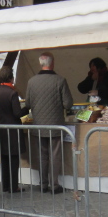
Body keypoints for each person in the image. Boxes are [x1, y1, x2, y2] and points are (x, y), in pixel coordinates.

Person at [26, 52, 73, 194]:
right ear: (52, 63)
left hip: (38, 125)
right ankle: (54, 185)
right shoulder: (60, 80)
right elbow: (68, 104)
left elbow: (27, 103)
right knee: (55, 155)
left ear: (40, 63)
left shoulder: (31, 81)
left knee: (42, 156)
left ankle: (43, 184)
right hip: (55, 124)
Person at [0, 67, 29, 193]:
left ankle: (5, 186)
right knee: (13, 159)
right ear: (10, 78)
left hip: (0, 130)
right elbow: (17, 113)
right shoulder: (12, 93)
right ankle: (13, 186)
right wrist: (27, 108)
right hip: (12, 131)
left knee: (4, 159)